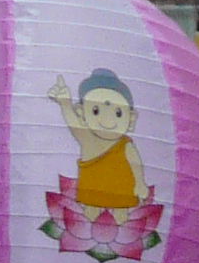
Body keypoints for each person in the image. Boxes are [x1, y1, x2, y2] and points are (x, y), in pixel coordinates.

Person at [47, 73, 145, 210]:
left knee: (121, 218)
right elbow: (72, 121)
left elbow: (136, 164)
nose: (107, 120)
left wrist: (140, 183)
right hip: (92, 193)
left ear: (131, 118)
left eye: (118, 113)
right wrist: (65, 104)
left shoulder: (125, 144)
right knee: (91, 214)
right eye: (96, 110)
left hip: (122, 192)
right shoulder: (88, 139)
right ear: (81, 113)